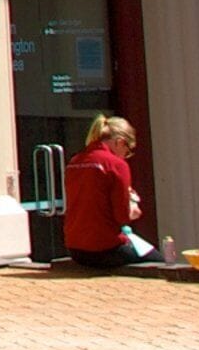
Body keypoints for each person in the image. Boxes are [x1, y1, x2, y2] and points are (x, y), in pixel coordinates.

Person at [60, 113, 155, 268]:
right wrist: (133, 207)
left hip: (75, 248)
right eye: (128, 150)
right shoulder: (116, 165)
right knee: (159, 264)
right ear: (120, 142)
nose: (126, 156)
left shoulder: (75, 161)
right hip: (104, 247)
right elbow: (122, 216)